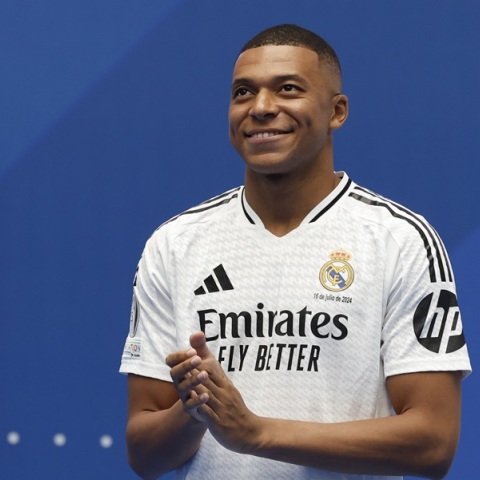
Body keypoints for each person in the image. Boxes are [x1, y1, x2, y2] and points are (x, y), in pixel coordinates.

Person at [120, 24, 471, 480]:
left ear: (336, 111)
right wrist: (195, 409)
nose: (261, 107)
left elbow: (433, 443)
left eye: (287, 89)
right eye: (243, 92)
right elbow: (144, 457)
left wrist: (257, 433)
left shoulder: (399, 240)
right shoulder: (175, 243)